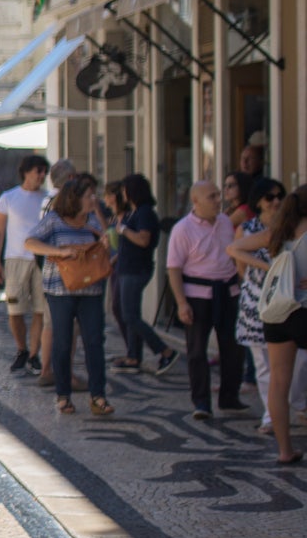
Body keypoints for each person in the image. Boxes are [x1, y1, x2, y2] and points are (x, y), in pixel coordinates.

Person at [25, 173, 116, 418]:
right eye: (89, 196)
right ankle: (63, 395)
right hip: (60, 290)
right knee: (63, 342)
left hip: (92, 289)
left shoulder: (93, 221)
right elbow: (30, 242)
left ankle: (98, 396)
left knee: (95, 342)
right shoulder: (54, 220)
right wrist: (59, 251)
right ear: (75, 198)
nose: (93, 199)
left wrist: (107, 247)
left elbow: (109, 247)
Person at [233, 186, 307, 464]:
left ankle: (285, 450)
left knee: (278, 382)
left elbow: (235, 247)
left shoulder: (277, 233)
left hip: (277, 313)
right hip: (303, 310)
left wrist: (265, 269)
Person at [167, 179, 246, 421]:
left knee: (233, 348)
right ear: (196, 201)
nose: (217, 200)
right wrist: (181, 303)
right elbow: (174, 269)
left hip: (228, 292)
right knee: (197, 351)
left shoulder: (224, 222)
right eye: (211, 197)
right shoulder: (182, 229)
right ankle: (201, 402)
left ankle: (229, 397)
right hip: (198, 295)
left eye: (218, 195)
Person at [0, 155, 53, 377]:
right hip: (15, 259)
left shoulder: (47, 199)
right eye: (38, 171)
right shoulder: (9, 198)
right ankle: (22, 348)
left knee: (40, 309)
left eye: (44, 172)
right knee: (15, 309)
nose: (41, 176)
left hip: (41, 260)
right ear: (26, 172)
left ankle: (34, 353)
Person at [109, 174, 176, 374]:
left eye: (124, 190)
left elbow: (143, 239)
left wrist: (123, 231)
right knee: (124, 311)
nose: (122, 194)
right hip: (125, 268)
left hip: (136, 270)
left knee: (130, 315)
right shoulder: (132, 212)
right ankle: (133, 356)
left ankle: (165, 351)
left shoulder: (145, 213)